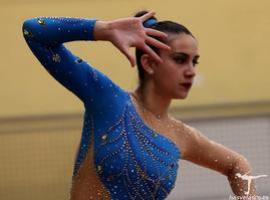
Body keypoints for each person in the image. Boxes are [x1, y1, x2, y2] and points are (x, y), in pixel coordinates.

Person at [22, 11, 257, 200]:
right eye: (180, 59)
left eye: (194, 62)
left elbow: (238, 165)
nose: (191, 71)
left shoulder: (183, 135)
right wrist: (104, 29)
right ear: (149, 63)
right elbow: (33, 30)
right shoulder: (108, 98)